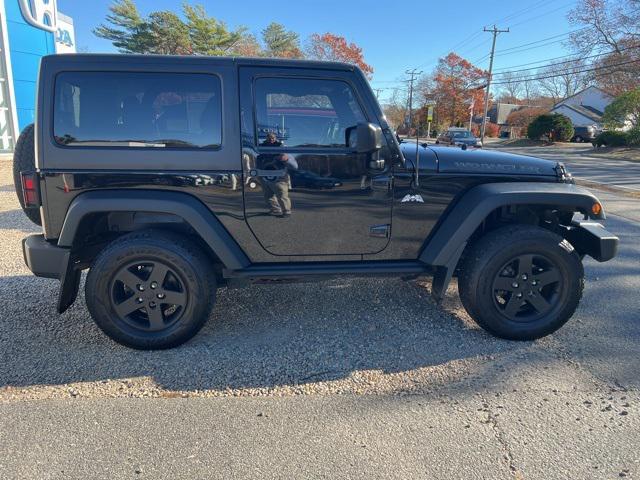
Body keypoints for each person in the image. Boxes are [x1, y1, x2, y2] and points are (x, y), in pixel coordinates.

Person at [259, 132, 297, 217]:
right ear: (266, 138)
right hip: (264, 175)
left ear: (275, 138)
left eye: (273, 138)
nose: (271, 139)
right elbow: (258, 160)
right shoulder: (260, 149)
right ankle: (275, 209)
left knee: (282, 195)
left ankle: (286, 211)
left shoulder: (282, 148)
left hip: (279, 177)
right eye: (269, 137)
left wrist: (286, 159)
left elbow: (295, 166)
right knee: (268, 195)